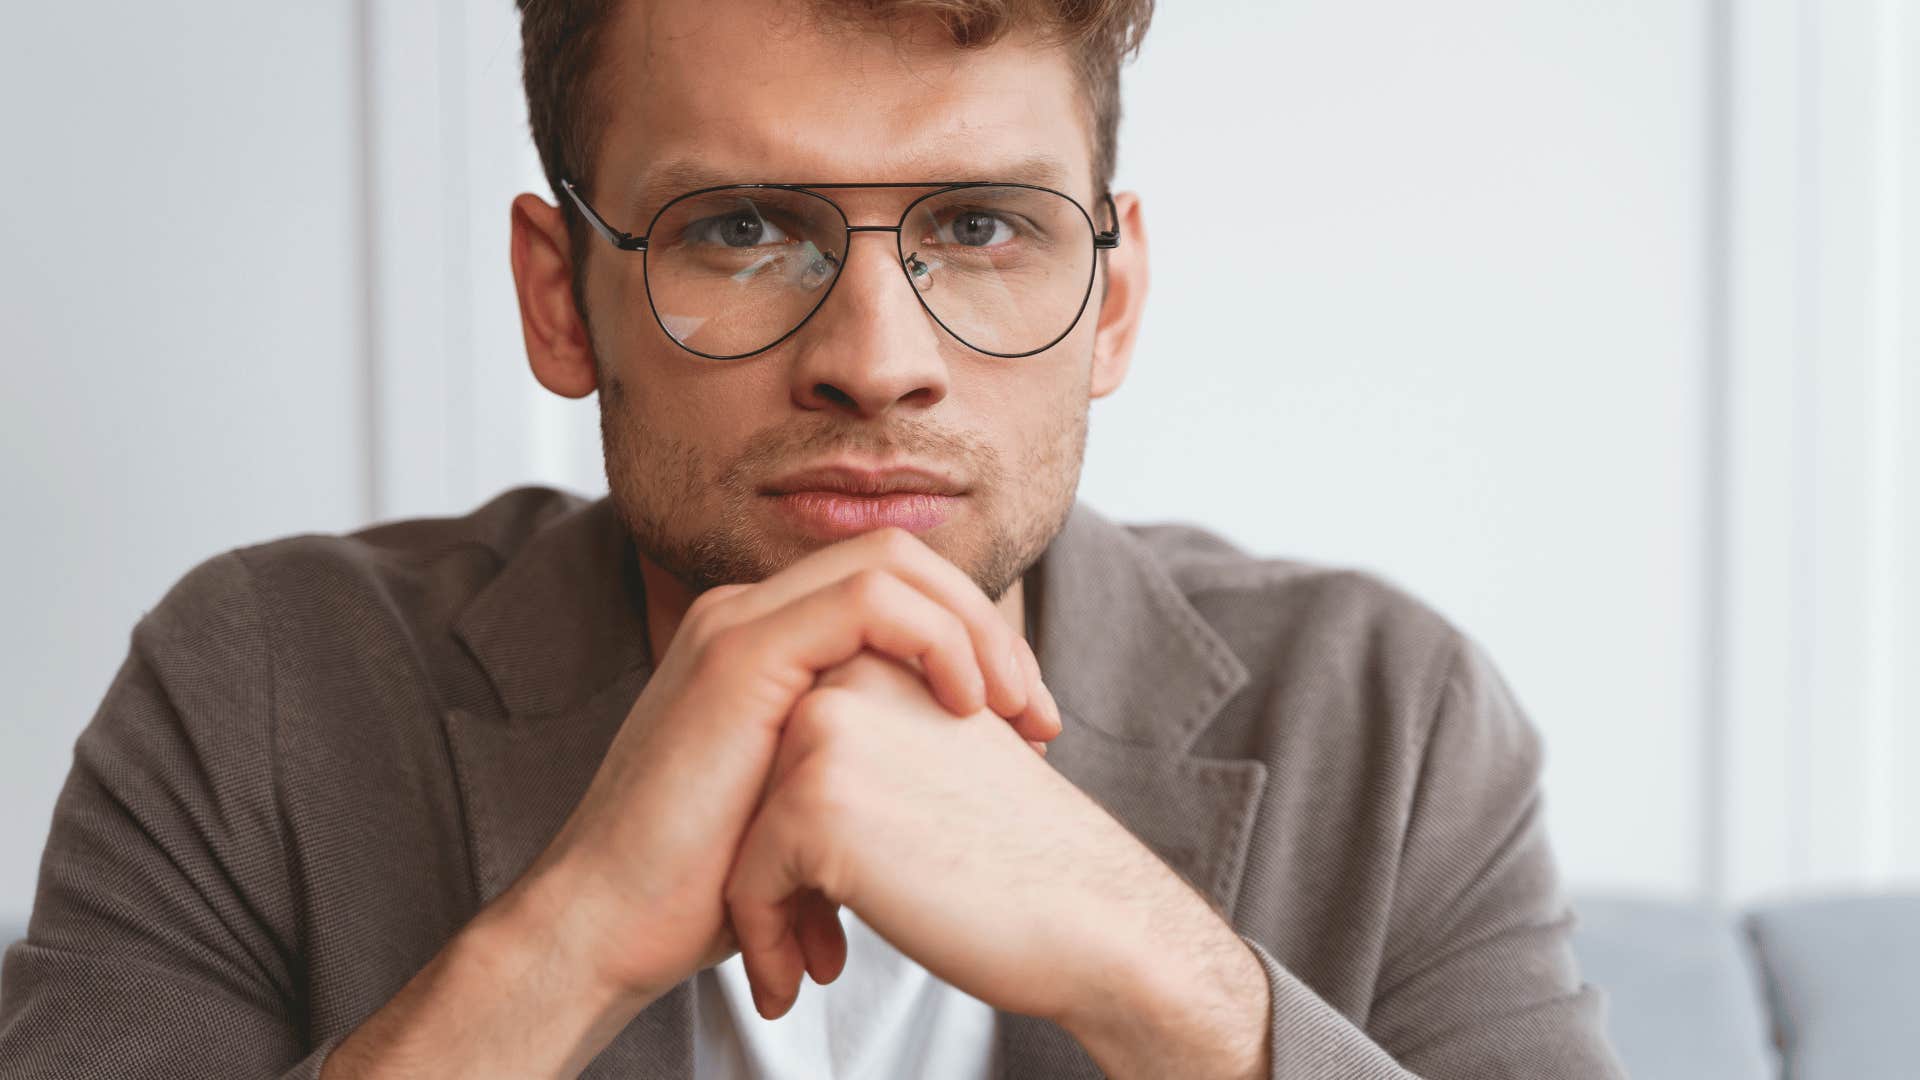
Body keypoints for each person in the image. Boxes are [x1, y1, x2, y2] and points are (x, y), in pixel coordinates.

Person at [0, 0, 1629, 1076]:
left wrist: (1167, 983)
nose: (873, 353)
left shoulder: (1388, 716)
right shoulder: (262, 691)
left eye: (981, 226)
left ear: (1111, 306)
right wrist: (562, 947)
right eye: (745, 227)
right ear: (561, 299)